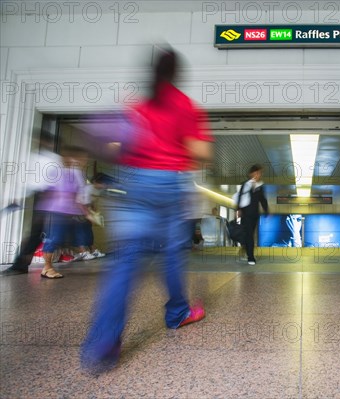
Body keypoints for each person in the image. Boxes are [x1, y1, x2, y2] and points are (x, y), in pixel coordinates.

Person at [80, 48, 214, 373]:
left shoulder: (136, 106)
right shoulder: (186, 106)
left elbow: (114, 145)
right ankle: (177, 313)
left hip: (132, 185)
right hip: (169, 185)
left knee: (124, 263)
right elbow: (202, 152)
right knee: (172, 256)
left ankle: (102, 347)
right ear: (177, 74)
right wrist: (181, 147)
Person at [1, 132, 62, 276]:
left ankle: (24, 265)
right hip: (38, 197)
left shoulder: (55, 159)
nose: (38, 142)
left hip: (48, 198)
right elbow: (28, 181)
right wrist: (17, 197)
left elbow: (56, 182)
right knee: (36, 233)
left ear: (48, 142)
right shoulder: (34, 158)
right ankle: (22, 264)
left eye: (40, 140)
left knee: (39, 233)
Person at [36, 146, 89, 278]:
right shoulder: (56, 171)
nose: (82, 162)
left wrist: (85, 211)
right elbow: (47, 190)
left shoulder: (76, 174)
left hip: (67, 212)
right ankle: (47, 268)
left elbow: (77, 195)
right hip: (55, 210)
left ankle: (49, 266)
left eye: (83, 159)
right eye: (80, 159)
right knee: (54, 238)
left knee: (60, 239)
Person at [236, 164, 269, 265]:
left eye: (260, 173)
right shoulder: (245, 184)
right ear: (252, 173)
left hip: (255, 214)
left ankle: (246, 250)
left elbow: (263, 199)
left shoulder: (260, 186)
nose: (259, 175)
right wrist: (238, 210)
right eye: (257, 172)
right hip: (246, 214)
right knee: (249, 235)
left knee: (249, 235)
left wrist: (266, 210)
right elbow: (240, 197)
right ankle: (251, 257)